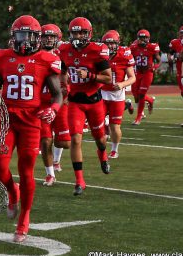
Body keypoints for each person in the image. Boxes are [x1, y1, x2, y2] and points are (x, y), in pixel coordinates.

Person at [0, 15, 62, 243]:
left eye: (29, 36)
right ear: (13, 37)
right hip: (6, 117)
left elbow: (57, 93)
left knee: (26, 169)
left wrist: (54, 110)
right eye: (21, 35)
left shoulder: (47, 59)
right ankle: (12, 191)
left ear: (38, 38)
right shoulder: (2, 57)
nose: (25, 40)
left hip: (31, 121)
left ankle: (24, 220)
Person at [58, 17, 112, 196]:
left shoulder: (98, 50)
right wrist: (64, 85)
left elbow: (108, 78)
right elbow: (63, 71)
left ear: (89, 34)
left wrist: (90, 75)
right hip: (75, 102)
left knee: (101, 140)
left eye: (82, 32)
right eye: (75, 32)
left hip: (94, 101)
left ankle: (102, 154)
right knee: (75, 139)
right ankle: (79, 180)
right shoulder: (64, 49)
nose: (78, 35)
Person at [39, 24, 70, 186]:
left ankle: (56, 160)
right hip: (42, 103)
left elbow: (66, 74)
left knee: (63, 142)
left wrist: (66, 90)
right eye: (45, 36)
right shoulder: (35, 55)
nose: (48, 39)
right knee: (45, 141)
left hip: (60, 103)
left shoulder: (61, 54)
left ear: (57, 38)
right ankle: (50, 174)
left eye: (52, 36)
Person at [101, 30, 136, 159]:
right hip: (101, 93)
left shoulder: (124, 54)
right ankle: (102, 148)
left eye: (112, 44)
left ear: (118, 44)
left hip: (117, 95)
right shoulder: (99, 55)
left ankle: (115, 149)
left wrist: (122, 84)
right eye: (107, 44)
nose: (110, 46)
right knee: (98, 124)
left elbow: (133, 78)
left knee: (115, 126)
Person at [129, 29, 160, 125]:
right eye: (141, 38)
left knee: (141, 94)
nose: (143, 40)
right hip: (138, 72)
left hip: (147, 72)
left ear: (148, 39)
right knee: (135, 94)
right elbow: (129, 59)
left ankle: (138, 117)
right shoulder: (133, 47)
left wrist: (154, 67)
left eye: (145, 38)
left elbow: (158, 60)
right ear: (137, 38)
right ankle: (150, 100)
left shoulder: (152, 47)